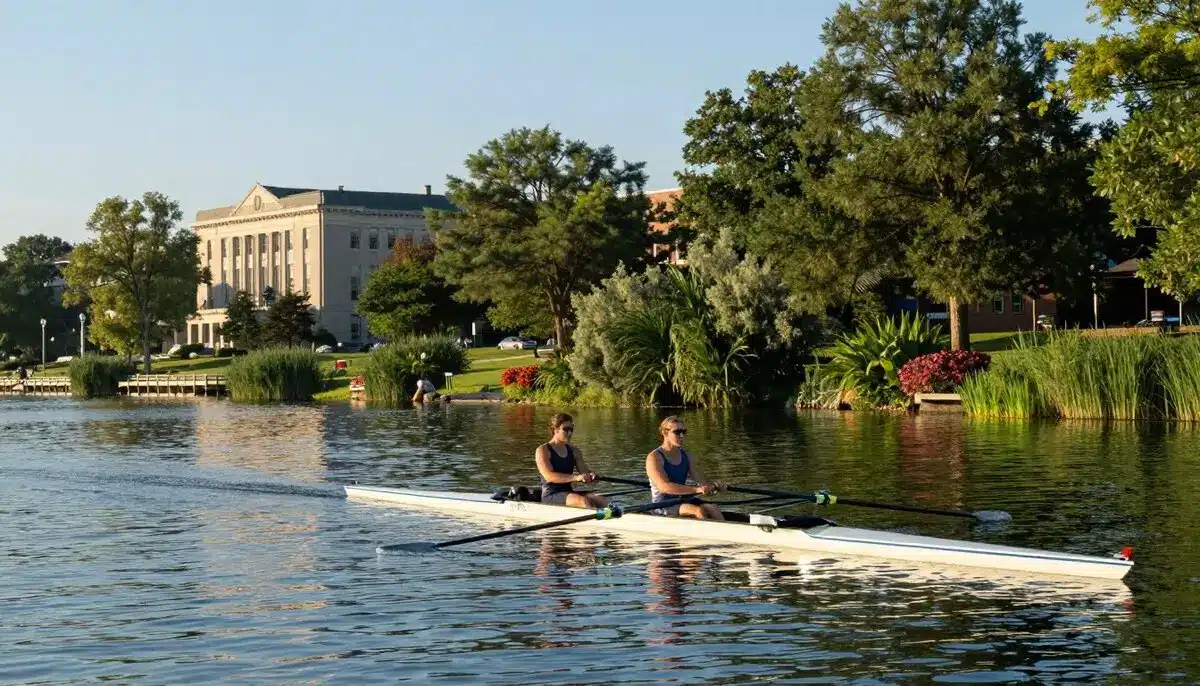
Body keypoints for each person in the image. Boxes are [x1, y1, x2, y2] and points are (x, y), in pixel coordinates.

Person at [646, 416, 725, 520]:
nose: (682, 435)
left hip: (682, 500)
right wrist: (696, 490)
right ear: (665, 433)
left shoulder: (687, 456)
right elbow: (664, 487)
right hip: (662, 505)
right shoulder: (654, 457)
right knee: (698, 511)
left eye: (684, 431)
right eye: (677, 432)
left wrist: (715, 486)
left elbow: (701, 481)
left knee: (713, 508)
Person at [535, 413, 608, 508]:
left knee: (600, 499)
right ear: (555, 430)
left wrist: (592, 476)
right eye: (565, 429)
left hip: (569, 493)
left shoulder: (574, 451)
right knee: (583, 502)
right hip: (551, 495)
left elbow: (585, 472)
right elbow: (549, 477)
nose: (569, 433)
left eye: (571, 429)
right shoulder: (543, 450)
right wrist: (576, 478)